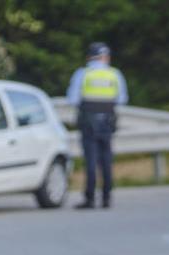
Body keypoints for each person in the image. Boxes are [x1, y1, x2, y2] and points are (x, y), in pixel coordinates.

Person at [67, 42, 128, 209]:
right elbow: (122, 100)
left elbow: (72, 99)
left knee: (91, 161)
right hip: (108, 121)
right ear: (106, 57)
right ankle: (107, 197)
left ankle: (90, 198)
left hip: (88, 121)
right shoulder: (114, 74)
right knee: (106, 160)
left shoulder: (83, 74)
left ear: (89, 57)